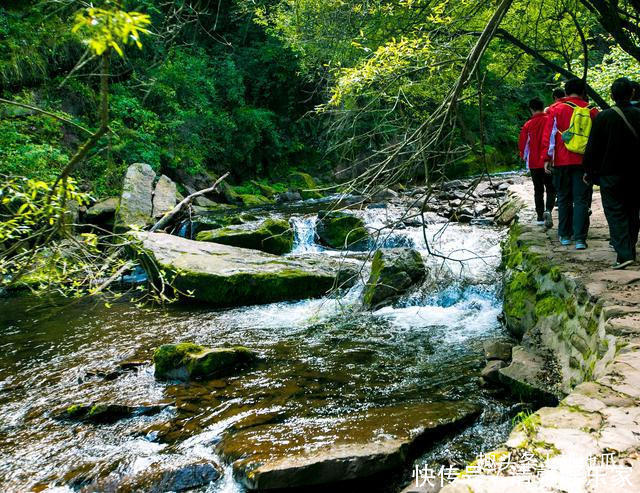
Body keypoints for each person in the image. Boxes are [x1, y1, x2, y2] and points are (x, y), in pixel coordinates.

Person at [583, 77, 640, 269]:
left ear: (612, 96)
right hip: (636, 173)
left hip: (610, 174)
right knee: (633, 210)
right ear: (632, 93)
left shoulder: (603, 117)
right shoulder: (639, 115)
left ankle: (623, 254)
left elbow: (593, 148)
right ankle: (630, 250)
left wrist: (588, 171)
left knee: (615, 213)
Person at [542, 78, 599, 249]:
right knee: (581, 200)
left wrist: (547, 158)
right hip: (584, 161)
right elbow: (597, 139)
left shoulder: (555, 109)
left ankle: (565, 236)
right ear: (583, 92)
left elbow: (549, 136)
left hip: (561, 160)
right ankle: (580, 239)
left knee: (564, 198)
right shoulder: (592, 111)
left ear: (566, 92)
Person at [519, 98, 555, 228]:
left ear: (531, 109)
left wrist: (523, 155)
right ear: (542, 106)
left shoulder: (528, 124)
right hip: (549, 160)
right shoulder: (550, 120)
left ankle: (540, 217)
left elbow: (524, 143)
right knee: (551, 188)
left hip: (534, 162)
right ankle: (548, 210)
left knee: (538, 189)